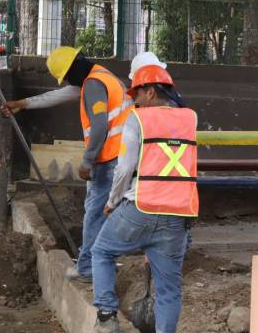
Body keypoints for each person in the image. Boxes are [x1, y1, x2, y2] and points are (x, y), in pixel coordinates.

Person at [2, 46, 133, 283]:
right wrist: (23, 103)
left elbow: (100, 126)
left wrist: (87, 160)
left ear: (72, 70)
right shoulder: (100, 76)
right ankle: (101, 263)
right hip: (122, 155)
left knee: (95, 214)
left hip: (109, 158)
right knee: (107, 212)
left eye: (65, 77)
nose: (67, 83)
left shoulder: (93, 84)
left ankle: (88, 269)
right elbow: (61, 95)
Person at [91, 65, 196, 333]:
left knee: (101, 251)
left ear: (150, 92)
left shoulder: (138, 120)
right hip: (178, 216)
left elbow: (125, 168)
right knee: (169, 290)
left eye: (137, 93)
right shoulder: (190, 118)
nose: (134, 100)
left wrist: (112, 202)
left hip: (141, 207)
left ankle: (106, 316)